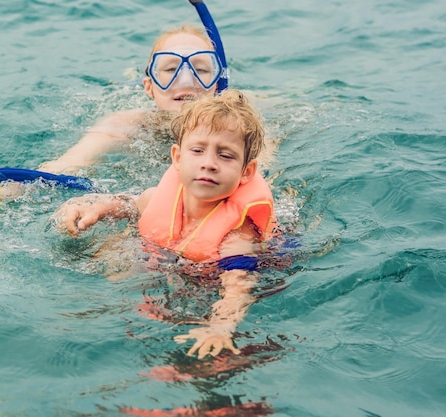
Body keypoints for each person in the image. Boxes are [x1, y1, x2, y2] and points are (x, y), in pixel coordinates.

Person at [52, 90, 278, 359]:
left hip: (203, 289)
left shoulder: (237, 234)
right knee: (112, 256)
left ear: (246, 172)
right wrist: (96, 207)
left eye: (226, 156)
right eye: (197, 150)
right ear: (178, 157)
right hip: (165, 268)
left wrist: (220, 327)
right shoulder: (161, 198)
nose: (209, 164)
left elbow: (238, 287)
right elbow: (131, 204)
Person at [38, 24, 222, 175]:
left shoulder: (236, 126)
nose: (186, 82)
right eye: (171, 70)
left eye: (201, 70)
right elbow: (70, 163)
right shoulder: (126, 124)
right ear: (149, 87)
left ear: (216, 85)